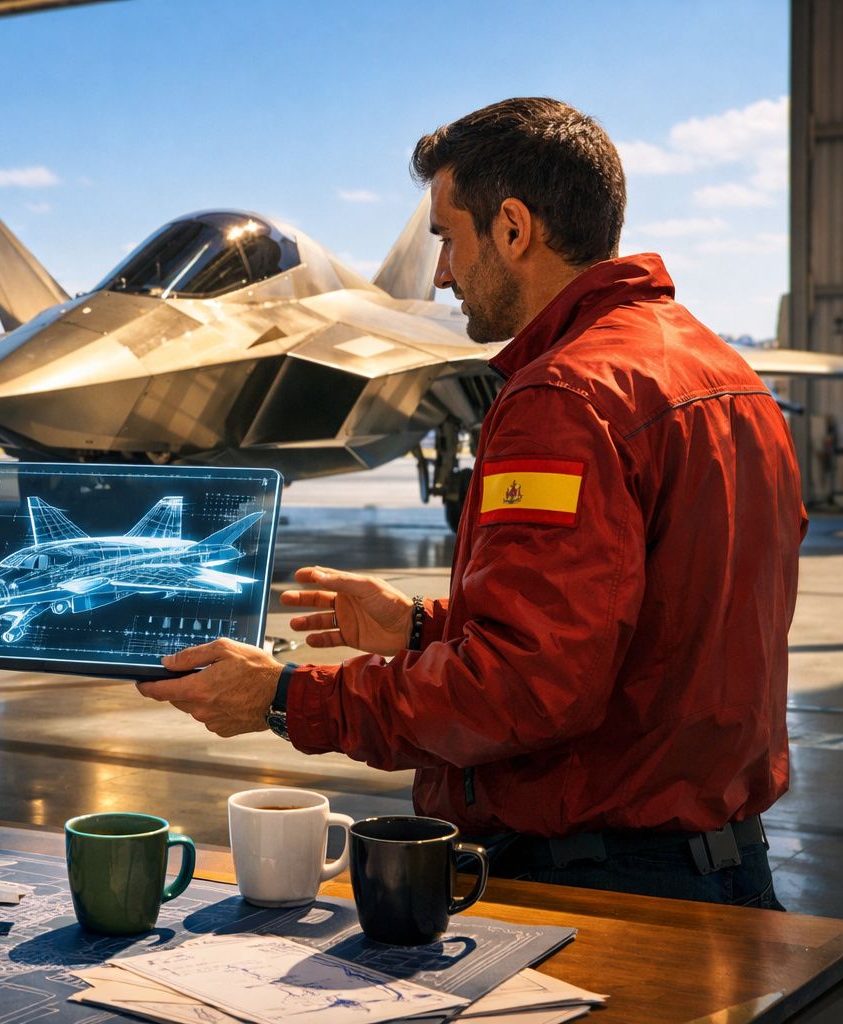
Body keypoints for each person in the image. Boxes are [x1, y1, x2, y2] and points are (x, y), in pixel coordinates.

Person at [138, 97, 804, 908]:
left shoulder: (566, 396)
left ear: (514, 229)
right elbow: (644, 626)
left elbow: (524, 689)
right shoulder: (727, 376)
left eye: (449, 237)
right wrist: (424, 627)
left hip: (602, 885)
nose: (444, 272)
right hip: (725, 874)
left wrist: (283, 696)